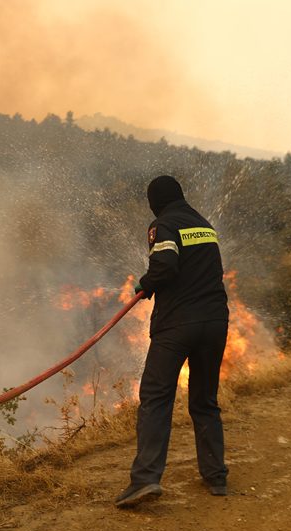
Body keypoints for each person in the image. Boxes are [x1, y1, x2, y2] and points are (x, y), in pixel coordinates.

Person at [115, 176, 229, 508]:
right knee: (205, 401)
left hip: (178, 325)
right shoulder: (203, 224)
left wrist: (146, 284)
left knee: (155, 397)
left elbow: (165, 265)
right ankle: (216, 476)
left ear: (156, 202)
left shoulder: (162, 224)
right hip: (215, 323)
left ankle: (145, 480)